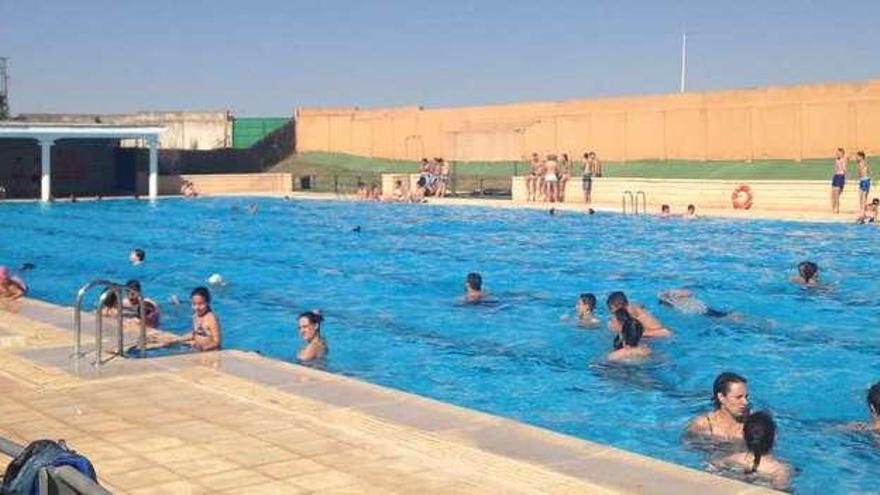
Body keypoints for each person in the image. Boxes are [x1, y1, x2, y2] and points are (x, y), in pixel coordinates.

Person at [714, 411, 791, 491]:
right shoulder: (779, 470)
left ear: (744, 436)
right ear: (775, 438)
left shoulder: (733, 459)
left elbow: (712, 467)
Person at [687, 372, 750, 442]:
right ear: (721, 397)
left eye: (746, 397)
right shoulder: (703, 426)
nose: (745, 402)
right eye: (738, 397)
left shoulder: (754, 423)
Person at [606, 291, 671, 337]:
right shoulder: (628, 310)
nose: (614, 315)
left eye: (615, 312)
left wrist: (635, 334)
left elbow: (666, 332)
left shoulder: (642, 316)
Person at [182, 287, 221, 352]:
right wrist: (178, 339)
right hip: (199, 349)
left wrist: (203, 348)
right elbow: (195, 333)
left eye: (200, 304)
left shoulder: (211, 318)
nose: (197, 307)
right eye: (194, 304)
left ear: (208, 302)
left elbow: (217, 342)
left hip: (212, 352)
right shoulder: (195, 316)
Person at [658, 289, 729, 318]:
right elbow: (689, 293)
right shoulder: (681, 305)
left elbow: (689, 292)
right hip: (708, 312)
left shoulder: (680, 304)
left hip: (707, 313)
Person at [831, 147, 847, 214]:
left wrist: (844, 179)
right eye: (837, 153)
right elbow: (835, 169)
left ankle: (837, 209)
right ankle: (833, 207)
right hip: (836, 176)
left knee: (837, 194)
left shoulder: (844, 160)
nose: (837, 154)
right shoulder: (836, 160)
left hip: (841, 176)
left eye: (839, 153)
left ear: (842, 154)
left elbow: (844, 170)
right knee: (833, 193)